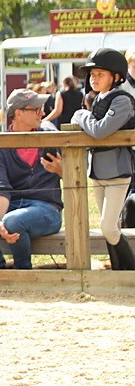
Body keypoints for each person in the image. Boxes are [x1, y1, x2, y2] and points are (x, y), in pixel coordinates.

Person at [0, 89, 64, 269]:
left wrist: (62, 170)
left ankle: (22, 271)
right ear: (18, 113)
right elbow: (0, 188)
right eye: (36, 109)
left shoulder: (49, 134)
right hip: (12, 204)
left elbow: (77, 175)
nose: (42, 113)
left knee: (13, 221)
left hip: (48, 209)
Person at [71, 48, 135, 270]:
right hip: (97, 170)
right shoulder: (98, 98)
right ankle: (120, 272)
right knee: (110, 227)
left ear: (115, 76)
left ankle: (131, 270)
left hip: (117, 169)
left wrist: (80, 114)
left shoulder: (122, 101)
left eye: (100, 74)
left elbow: (99, 130)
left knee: (108, 227)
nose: (94, 79)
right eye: (92, 75)